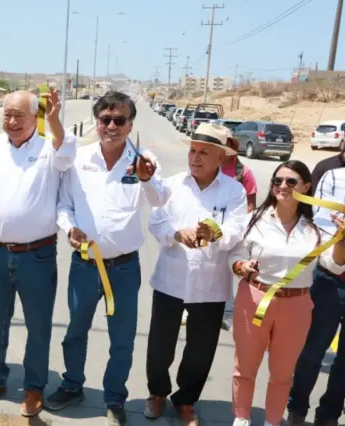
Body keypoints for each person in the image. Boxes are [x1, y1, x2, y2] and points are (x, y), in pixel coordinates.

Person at [46, 91, 170, 426]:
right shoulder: (80, 159)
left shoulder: (144, 159)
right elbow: (63, 204)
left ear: (130, 124)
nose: (111, 126)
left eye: (119, 120)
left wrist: (146, 179)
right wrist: (69, 228)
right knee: (75, 331)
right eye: (105, 119)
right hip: (85, 265)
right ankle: (73, 385)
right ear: (97, 122)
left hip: (125, 268)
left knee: (123, 339)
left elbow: (160, 199)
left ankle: (115, 398)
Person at [0, 88, 76, 417]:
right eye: (7, 115)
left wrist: (54, 121)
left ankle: (33, 387)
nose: (12, 122)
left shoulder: (49, 149)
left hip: (36, 256)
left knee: (38, 324)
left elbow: (67, 151)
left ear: (35, 118)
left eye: (19, 116)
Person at [229, 160, 345, 426]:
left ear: (305, 187)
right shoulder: (254, 221)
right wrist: (241, 266)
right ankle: (241, 417)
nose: (282, 186)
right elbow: (234, 252)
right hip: (254, 298)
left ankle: (272, 421)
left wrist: (341, 240)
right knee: (245, 368)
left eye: (291, 182)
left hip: (297, 305)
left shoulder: (315, 228)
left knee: (282, 374)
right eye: (277, 180)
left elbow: (334, 263)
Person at [146, 123, 248, 426]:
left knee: (201, 349)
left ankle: (186, 400)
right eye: (193, 150)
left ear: (221, 158)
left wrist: (214, 232)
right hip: (171, 279)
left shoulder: (234, 191)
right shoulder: (175, 184)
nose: (196, 157)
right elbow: (156, 221)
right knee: (160, 344)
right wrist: (176, 233)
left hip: (211, 284)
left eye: (204, 152)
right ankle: (157, 393)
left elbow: (237, 230)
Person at [288, 164, 345, 426]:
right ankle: (297, 409)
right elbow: (322, 239)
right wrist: (342, 242)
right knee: (312, 352)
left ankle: (329, 415)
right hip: (330, 279)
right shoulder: (334, 177)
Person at [219, 136, 258, 332]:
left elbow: (251, 203)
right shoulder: (211, 166)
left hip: (235, 229)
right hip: (212, 227)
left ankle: (226, 313)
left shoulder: (243, 172)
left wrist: (242, 226)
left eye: (229, 145)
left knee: (228, 268)